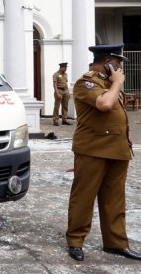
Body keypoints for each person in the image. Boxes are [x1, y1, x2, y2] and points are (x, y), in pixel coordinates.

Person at [65, 43, 141, 261]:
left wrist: (113, 82)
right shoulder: (86, 82)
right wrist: (116, 83)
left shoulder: (108, 82)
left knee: (115, 200)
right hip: (93, 150)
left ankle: (115, 243)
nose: (120, 68)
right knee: (84, 198)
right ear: (108, 61)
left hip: (117, 149)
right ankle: (76, 240)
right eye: (118, 63)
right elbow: (104, 104)